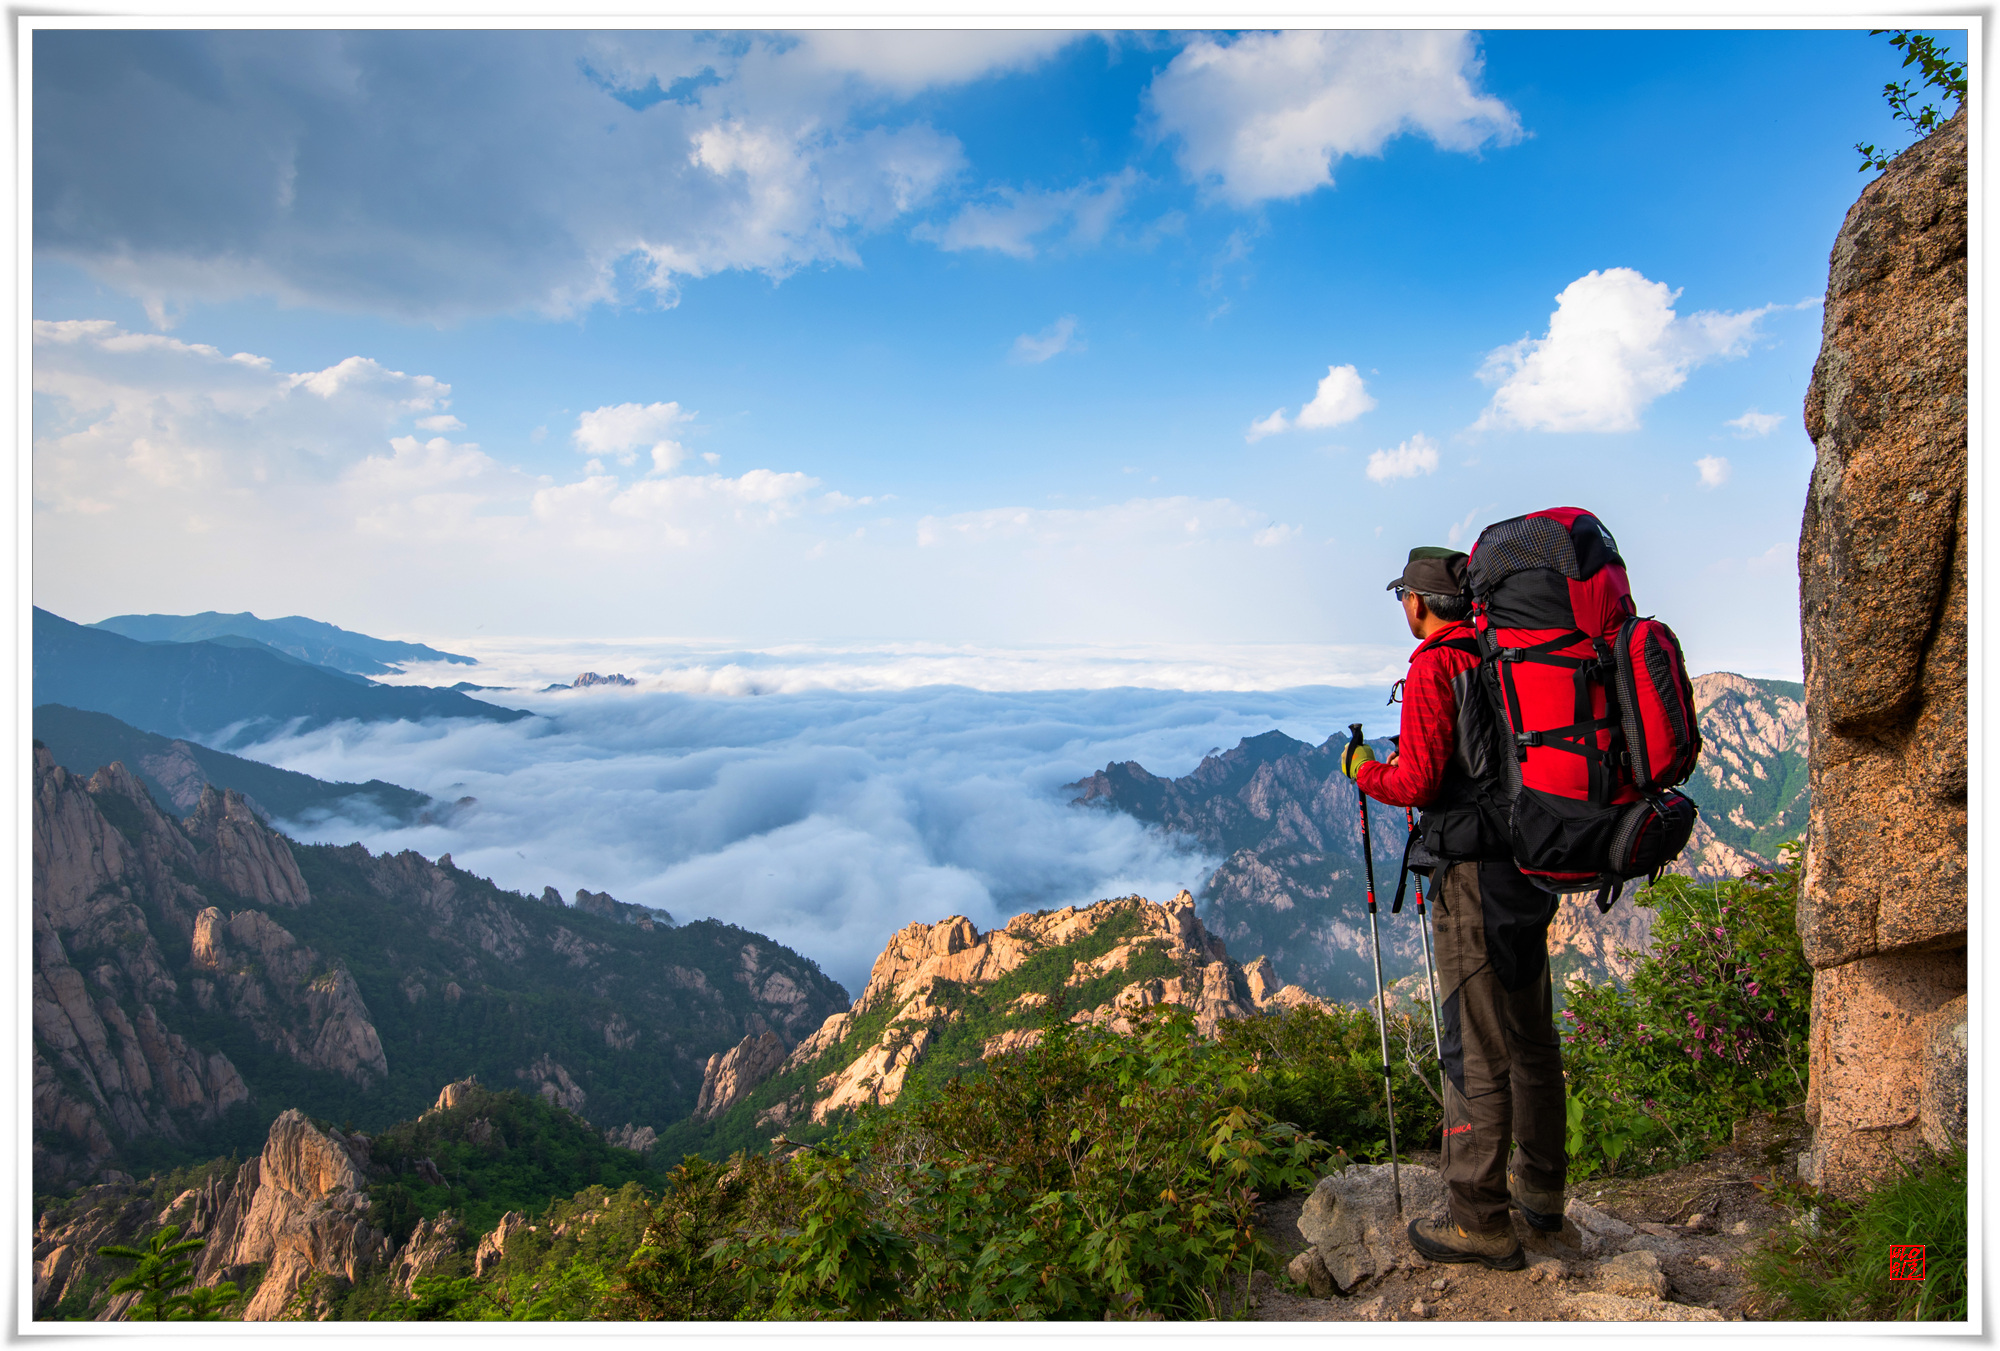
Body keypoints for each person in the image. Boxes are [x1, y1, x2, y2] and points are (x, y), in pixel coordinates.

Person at [1338, 545, 1567, 1271]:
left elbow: (1420, 777)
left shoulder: (1439, 664)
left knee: (1472, 1047)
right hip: (1527, 862)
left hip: (1472, 876)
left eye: (1403, 597)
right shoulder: (1502, 653)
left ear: (1419, 601)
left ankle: (1479, 1219)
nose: (1403, 608)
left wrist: (1363, 770)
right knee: (1532, 1034)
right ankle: (1543, 1193)